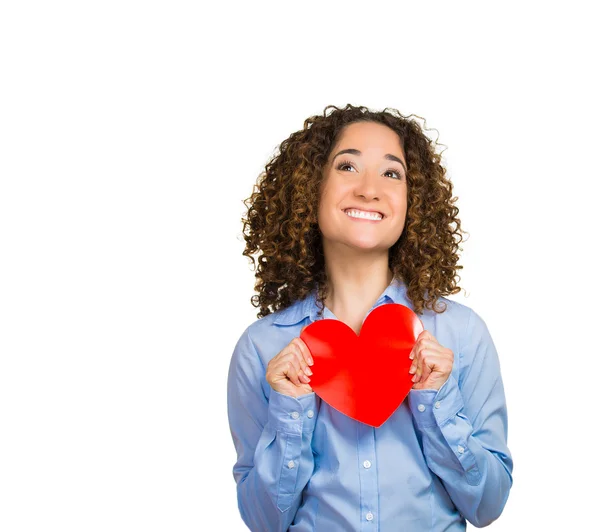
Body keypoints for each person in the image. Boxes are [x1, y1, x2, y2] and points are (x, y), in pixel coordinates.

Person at [227, 104, 513, 531]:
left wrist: (437, 400)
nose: (368, 189)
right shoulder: (262, 348)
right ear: (310, 190)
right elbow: (264, 522)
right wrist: (290, 411)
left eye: (391, 173)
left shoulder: (462, 333)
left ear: (413, 202)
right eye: (347, 166)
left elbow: (488, 505)